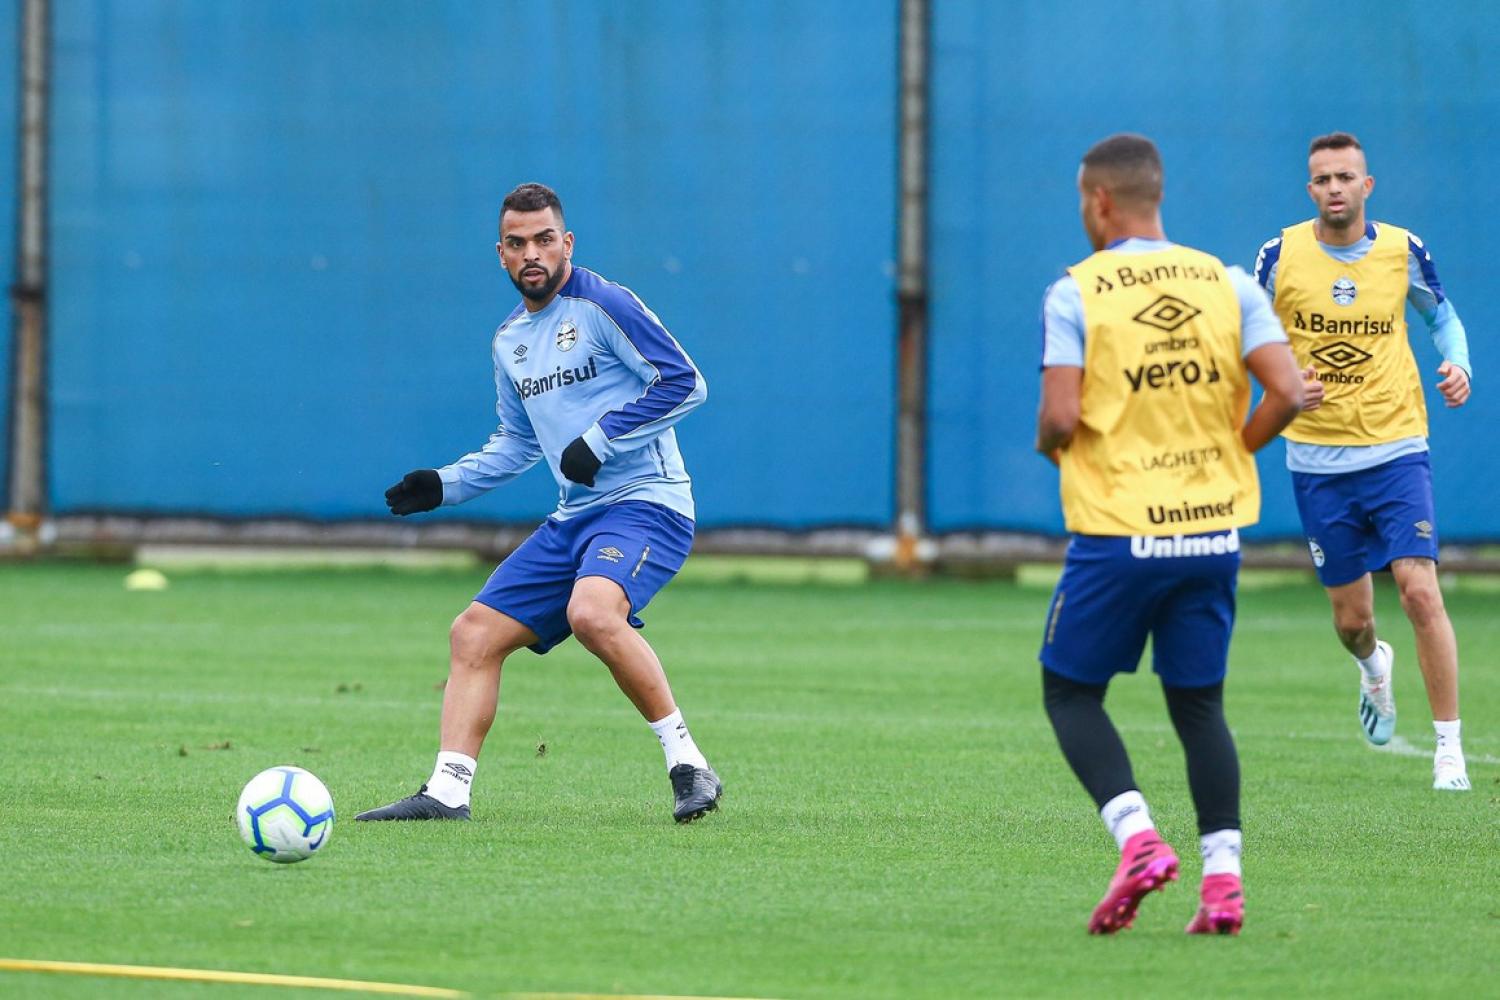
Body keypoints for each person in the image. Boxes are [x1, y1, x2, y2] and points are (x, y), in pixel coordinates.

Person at [357, 182, 722, 824]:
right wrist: (444, 485)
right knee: (473, 633)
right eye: (519, 243)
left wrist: (601, 439)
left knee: (592, 612)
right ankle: (447, 792)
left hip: (647, 503)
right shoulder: (509, 341)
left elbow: (685, 383)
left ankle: (689, 764)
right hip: (573, 519)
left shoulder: (604, 304)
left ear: (567, 243)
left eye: (545, 240)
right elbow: (516, 442)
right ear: (500, 253)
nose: (534, 254)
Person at [1036, 134, 1313, 935]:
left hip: (1120, 531)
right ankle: (1223, 883)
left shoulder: (1077, 291)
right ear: (1157, 197)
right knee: (1199, 707)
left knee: (1070, 691)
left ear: (1099, 202)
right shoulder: (1226, 283)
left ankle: (1139, 840)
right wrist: (1238, 448)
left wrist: (1050, 444)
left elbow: (1060, 415)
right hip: (1211, 532)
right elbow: (1290, 392)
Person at [1253, 132, 1473, 791]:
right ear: (1311, 190)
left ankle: (1449, 751)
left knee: (1419, 589)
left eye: (1347, 176)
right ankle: (1374, 666)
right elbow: (1249, 339)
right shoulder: (1279, 255)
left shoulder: (1401, 251)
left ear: (1367, 185)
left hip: (1398, 447)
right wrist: (1286, 379)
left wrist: (1459, 362)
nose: (1336, 188)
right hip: (1318, 460)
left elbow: (1443, 317)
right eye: (1324, 179)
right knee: (1352, 621)